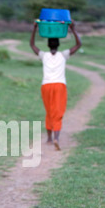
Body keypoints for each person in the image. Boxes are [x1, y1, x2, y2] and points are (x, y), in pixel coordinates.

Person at [30, 20, 81, 150]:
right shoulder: (63, 55)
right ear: (58, 45)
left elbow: (32, 45)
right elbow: (78, 44)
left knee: (49, 111)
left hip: (46, 86)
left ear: (48, 45)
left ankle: (48, 138)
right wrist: (72, 29)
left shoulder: (44, 55)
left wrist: (35, 29)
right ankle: (56, 138)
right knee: (58, 111)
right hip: (59, 86)